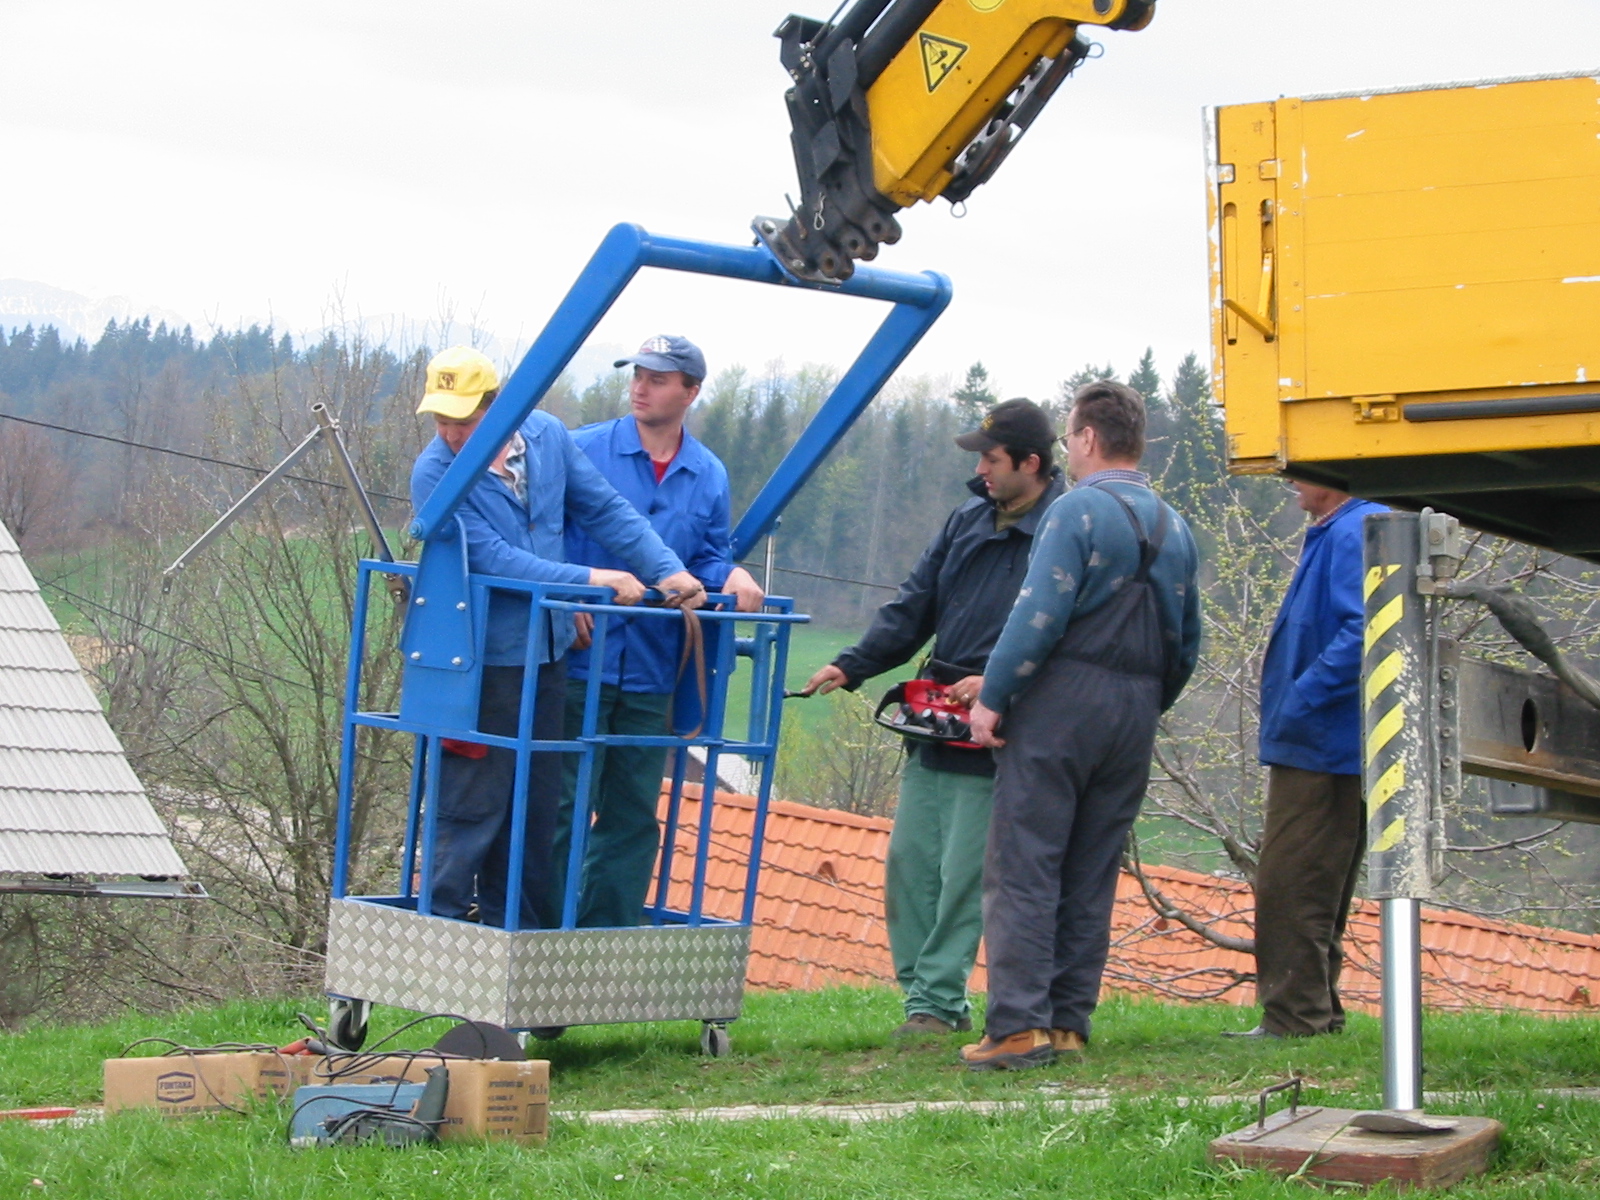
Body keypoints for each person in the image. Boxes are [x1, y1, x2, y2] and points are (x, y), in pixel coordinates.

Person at [409, 345, 705, 931]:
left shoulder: (546, 438)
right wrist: (589, 581)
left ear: (500, 408)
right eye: (441, 419)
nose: (450, 433)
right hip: (479, 661)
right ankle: (441, 927)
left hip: (546, 654)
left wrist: (666, 569)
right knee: (471, 802)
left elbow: (604, 509)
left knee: (538, 801)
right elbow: (491, 559)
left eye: (463, 419)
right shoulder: (435, 473)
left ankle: (517, 928)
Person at [801, 398, 1066, 1038]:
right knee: (911, 865)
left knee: (963, 877)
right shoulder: (967, 519)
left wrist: (999, 683)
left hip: (1002, 730)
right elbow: (914, 604)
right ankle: (923, 998)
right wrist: (853, 664)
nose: (980, 470)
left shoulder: (1066, 529)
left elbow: (1070, 634)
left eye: (991, 459)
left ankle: (938, 1003)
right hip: (935, 718)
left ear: (1031, 463)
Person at [963, 380, 1201, 1070]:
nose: (1068, 448)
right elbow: (1187, 641)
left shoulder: (1076, 511)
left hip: (1062, 704)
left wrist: (994, 696)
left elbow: (1037, 614)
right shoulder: (1175, 526)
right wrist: (1145, 703)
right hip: (1137, 709)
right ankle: (1068, 1023)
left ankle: (1018, 1027)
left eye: (1069, 437)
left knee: (1025, 863)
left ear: (1089, 438)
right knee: (1091, 869)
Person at [553, 334, 765, 928]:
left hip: (653, 666)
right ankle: (541, 931)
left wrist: (734, 574)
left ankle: (603, 940)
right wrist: (565, 597)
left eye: (658, 378)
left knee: (634, 813)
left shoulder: (708, 473)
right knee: (560, 804)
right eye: (638, 375)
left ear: (691, 392)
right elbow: (541, 531)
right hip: (579, 657)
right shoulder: (581, 448)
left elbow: (707, 557)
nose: (640, 387)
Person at [1228, 482, 1385, 1038]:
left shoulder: (1351, 529)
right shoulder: (1342, 529)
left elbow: (1364, 626)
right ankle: (1317, 1010)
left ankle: (1295, 1017)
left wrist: (1303, 697)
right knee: (1316, 882)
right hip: (1325, 740)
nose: (1290, 478)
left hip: (1324, 741)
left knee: (1290, 883)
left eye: (1303, 467)